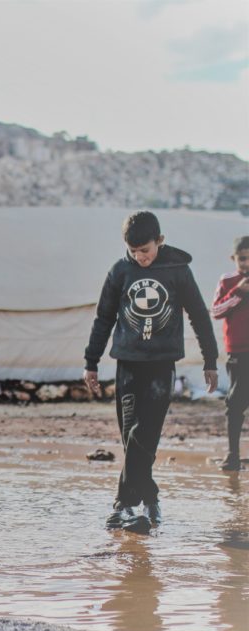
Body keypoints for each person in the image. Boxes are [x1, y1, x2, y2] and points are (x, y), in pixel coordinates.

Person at [84, 211, 218, 529]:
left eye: (145, 250)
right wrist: (91, 361)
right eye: (134, 252)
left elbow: (199, 316)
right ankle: (150, 500)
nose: (140, 258)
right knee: (132, 436)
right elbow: (103, 318)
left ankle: (122, 505)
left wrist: (210, 361)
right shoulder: (119, 271)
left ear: (159, 240)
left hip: (161, 364)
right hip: (127, 364)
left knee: (145, 434)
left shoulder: (178, 271)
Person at [212, 235, 249, 472]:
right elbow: (216, 310)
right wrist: (238, 292)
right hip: (239, 352)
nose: (247, 264)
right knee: (235, 403)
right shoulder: (228, 281)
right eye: (243, 259)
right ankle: (233, 455)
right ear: (233, 258)